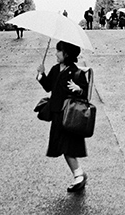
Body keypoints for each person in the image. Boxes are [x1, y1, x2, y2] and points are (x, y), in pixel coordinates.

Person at [35, 40, 90, 192]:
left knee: (67, 147)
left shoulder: (76, 72)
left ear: (66, 54)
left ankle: (79, 175)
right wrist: (41, 75)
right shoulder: (55, 69)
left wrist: (79, 89)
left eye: (58, 51)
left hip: (70, 116)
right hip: (58, 114)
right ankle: (79, 174)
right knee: (64, 147)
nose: (56, 53)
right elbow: (48, 87)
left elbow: (85, 94)